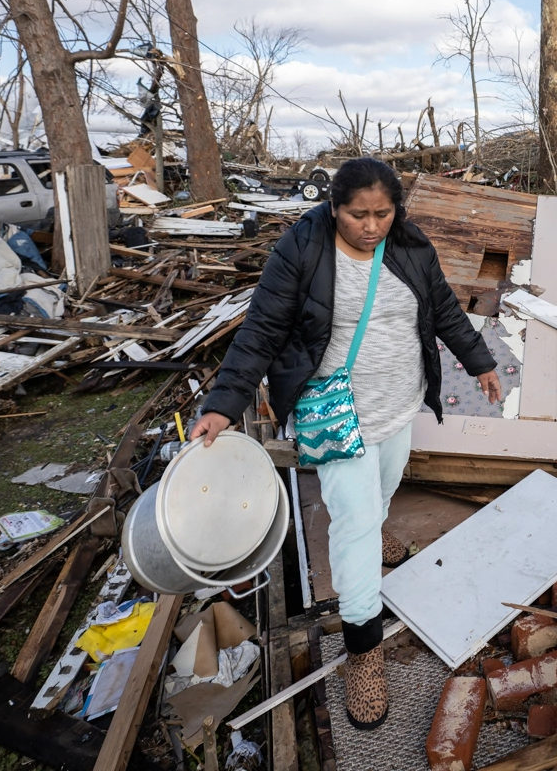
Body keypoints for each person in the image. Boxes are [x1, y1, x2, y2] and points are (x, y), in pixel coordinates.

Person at [191, 157, 501, 729]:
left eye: (382, 213)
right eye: (358, 214)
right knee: (354, 520)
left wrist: (478, 360)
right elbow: (262, 328)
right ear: (334, 208)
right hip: (334, 410)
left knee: (383, 490)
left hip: (397, 403)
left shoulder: (411, 246)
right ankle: (363, 649)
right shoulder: (302, 250)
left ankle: (376, 528)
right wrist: (222, 404)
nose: (371, 225)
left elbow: (444, 312)